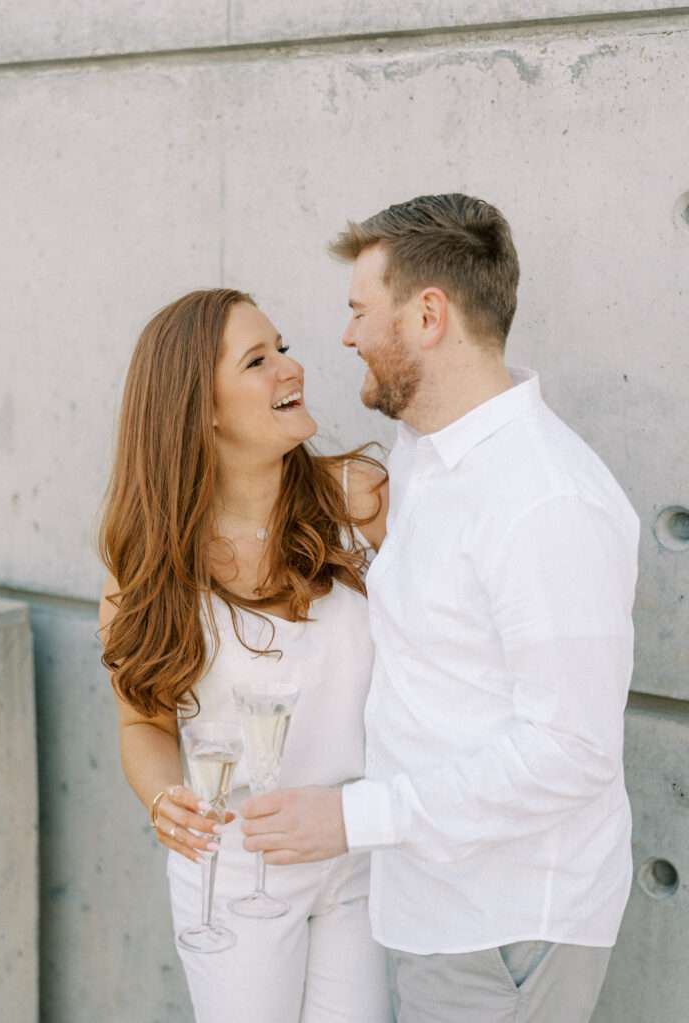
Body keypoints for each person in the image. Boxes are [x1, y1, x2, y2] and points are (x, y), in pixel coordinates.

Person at [241, 194, 640, 1023]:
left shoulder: (543, 500)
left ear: (428, 314)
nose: (345, 335)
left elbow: (570, 750)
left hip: (505, 928)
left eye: (359, 310)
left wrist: (352, 815)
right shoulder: (427, 456)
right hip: (439, 908)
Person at [96, 288, 392, 1023]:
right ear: (205, 410)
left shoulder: (361, 501)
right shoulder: (147, 562)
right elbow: (143, 726)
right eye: (257, 360)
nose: (289, 368)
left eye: (282, 347)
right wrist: (164, 798)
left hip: (358, 858)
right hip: (232, 875)